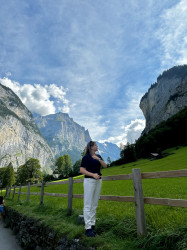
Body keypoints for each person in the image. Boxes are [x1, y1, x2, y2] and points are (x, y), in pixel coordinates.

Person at [80, 141, 107, 237]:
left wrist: (98, 159)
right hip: (89, 181)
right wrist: (93, 175)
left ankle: (92, 225)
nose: (97, 146)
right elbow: (82, 170)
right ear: (91, 147)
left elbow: (105, 166)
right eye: (95, 145)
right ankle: (87, 228)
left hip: (98, 181)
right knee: (88, 204)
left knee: (94, 204)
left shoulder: (98, 156)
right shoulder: (86, 157)